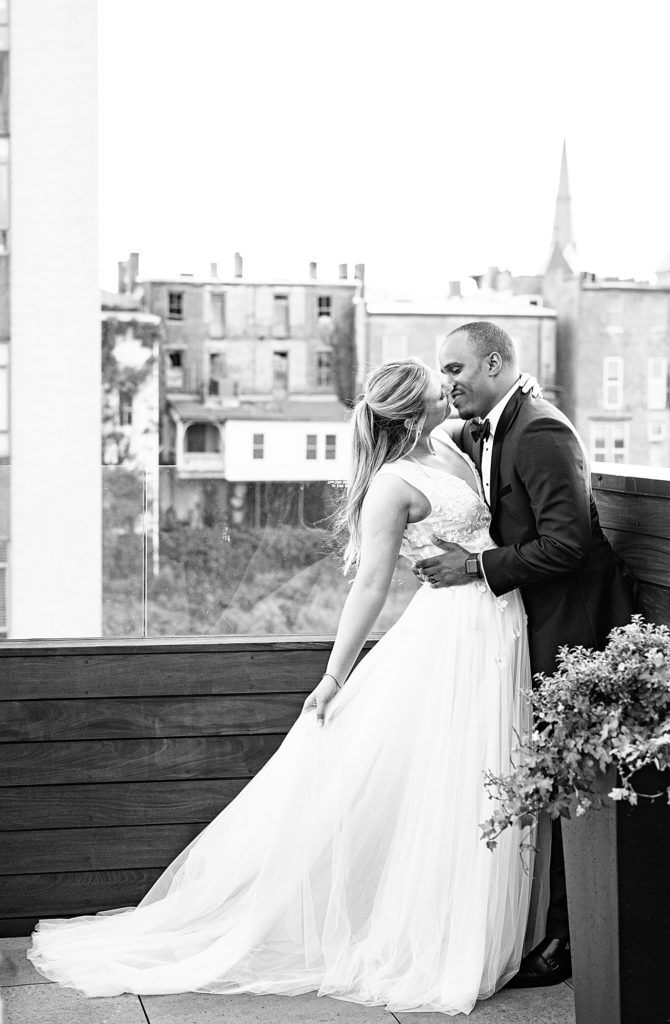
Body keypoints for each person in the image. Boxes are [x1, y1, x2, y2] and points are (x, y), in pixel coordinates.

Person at [28, 358, 536, 1016]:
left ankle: (481, 931)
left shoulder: (447, 446)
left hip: (496, 621)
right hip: (453, 638)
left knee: (485, 770)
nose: (450, 391)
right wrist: (333, 674)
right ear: (413, 410)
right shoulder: (393, 484)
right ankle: (443, 941)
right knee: (457, 777)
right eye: (437, 387)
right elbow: (369, 586)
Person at [415, 321, 635, 988]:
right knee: (547, 775)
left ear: (492, 362)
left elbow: (566, 544)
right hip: (534, 623)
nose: (445, 382)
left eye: (454, 369)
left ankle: (567, 942)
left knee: (572, 780)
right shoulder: (488, 427)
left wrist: (476, 567)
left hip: (573, 630)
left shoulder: (539, 431)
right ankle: (542, 926)